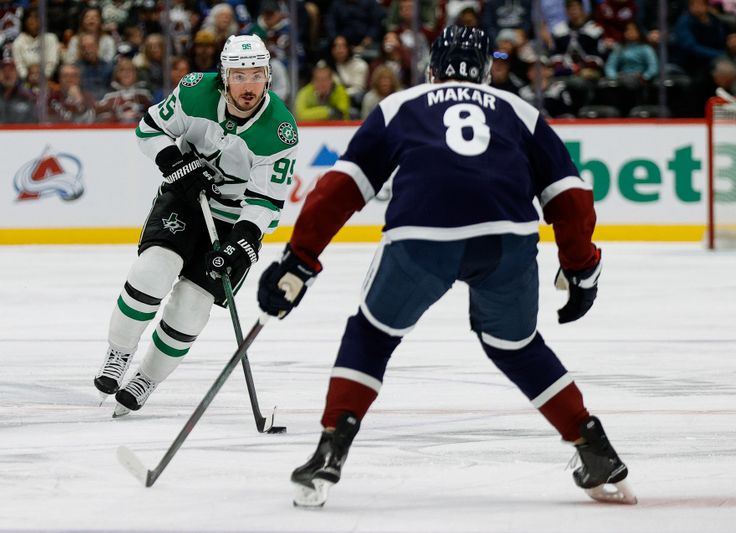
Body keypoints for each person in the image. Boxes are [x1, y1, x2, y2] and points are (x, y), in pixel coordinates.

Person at [257, 25, 636, 508]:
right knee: (516, 345)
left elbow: (341, 188)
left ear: (431, 68)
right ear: (487, 74)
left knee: (372, 334)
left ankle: (331, 448)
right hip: (507, 239)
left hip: (423, 235)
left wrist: (299, 260)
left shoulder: (402, 105)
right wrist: (583, 269)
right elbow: (571, 197)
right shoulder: (520, 111)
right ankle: (592, 444)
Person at [93, 34, 299, 416]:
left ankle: (147, 378)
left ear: (268, 77)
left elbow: (266, 202)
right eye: (239, 76)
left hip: (233, 221)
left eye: (256, 75)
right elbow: (150, 129)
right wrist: (175, 164)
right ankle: (118, 354)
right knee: (152, 271)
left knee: (192, 308)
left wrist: (244, 241)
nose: (248, 86)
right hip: (186, 201)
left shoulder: (280, 130)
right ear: (224, 77)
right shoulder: (194, 92)